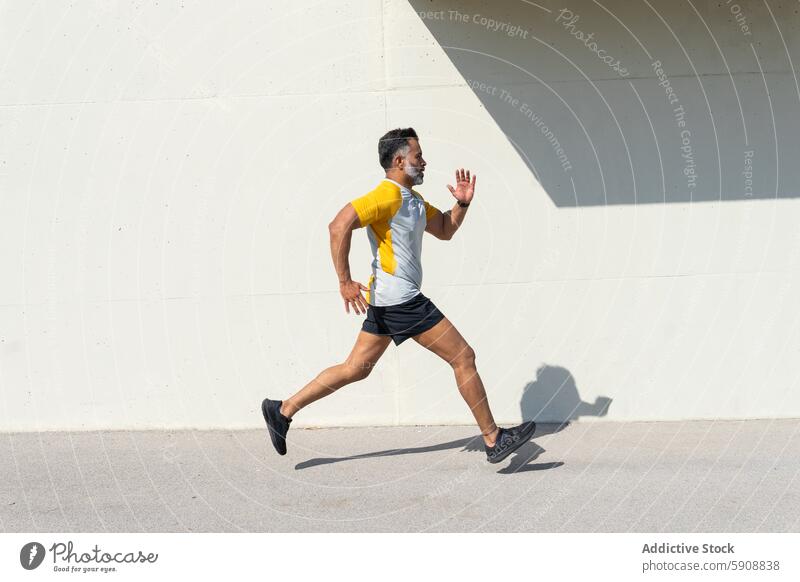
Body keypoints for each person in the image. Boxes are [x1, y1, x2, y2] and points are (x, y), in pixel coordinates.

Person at [262, 127, 535, 464]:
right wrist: (344, 281)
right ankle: (494, 439)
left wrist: (461, 204)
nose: (424, 162)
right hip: (402, 300)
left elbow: (446, 230)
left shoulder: (413, 201)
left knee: (355, 368)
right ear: (398, 160)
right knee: (463, 357)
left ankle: (283, 410)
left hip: (387, 302)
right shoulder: (387, 196)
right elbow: (338, 225)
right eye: (418, 156)